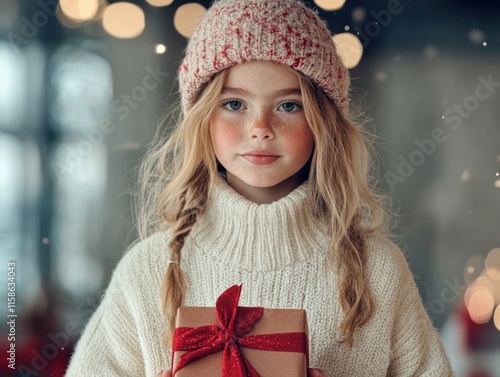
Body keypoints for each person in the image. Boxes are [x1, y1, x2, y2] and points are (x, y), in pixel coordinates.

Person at [65, 0, 454, 376]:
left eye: (289, 106)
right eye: (234, 104)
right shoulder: (147, 271)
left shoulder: (377, 271)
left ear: (324, 124)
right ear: (202, 119)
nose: (260, 127)